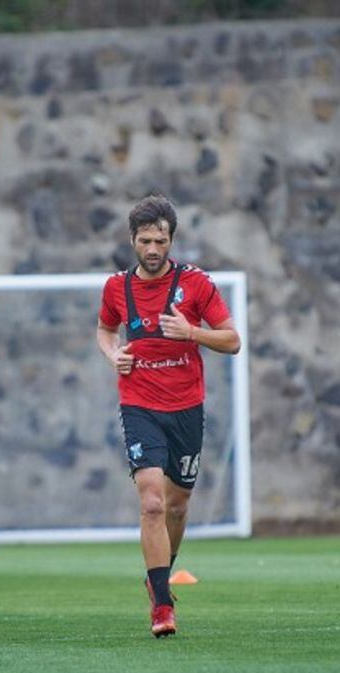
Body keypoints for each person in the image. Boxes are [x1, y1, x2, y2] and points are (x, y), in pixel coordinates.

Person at [96, 194, 241, 638]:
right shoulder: (115, 288)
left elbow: (232, 340)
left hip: (186, 409)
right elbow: (105, 329)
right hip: (139, 405)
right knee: (153, 501)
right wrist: (113, 353)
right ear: (132, 241)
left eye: (161, 241)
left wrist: (192, 332)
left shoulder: (196, 285)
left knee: (177, 507)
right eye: (145, 241)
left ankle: (158, 573)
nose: (153, 249)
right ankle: (162, 605)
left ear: (171, 240)